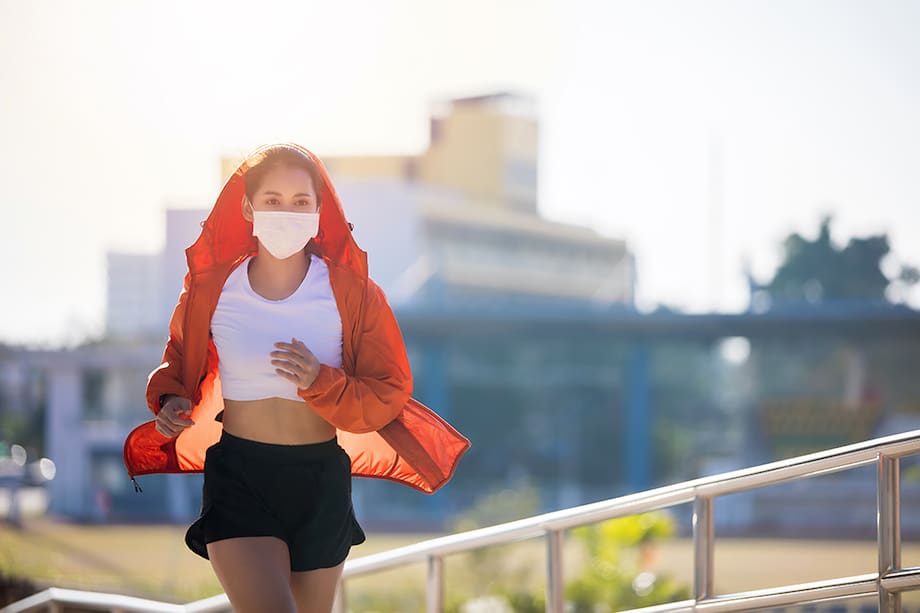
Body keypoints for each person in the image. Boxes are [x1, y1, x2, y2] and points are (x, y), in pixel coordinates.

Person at [123, 143, 470, 613]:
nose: (287, 212)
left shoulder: (354, 292)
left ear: (319, 211)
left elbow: (388, 389)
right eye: (272, 200)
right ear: (248, 208)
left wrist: (319, 380)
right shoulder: (212, 288)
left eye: (301, 202)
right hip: (240, 477)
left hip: (320, 480)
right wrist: (169, 403)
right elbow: (180, 359)